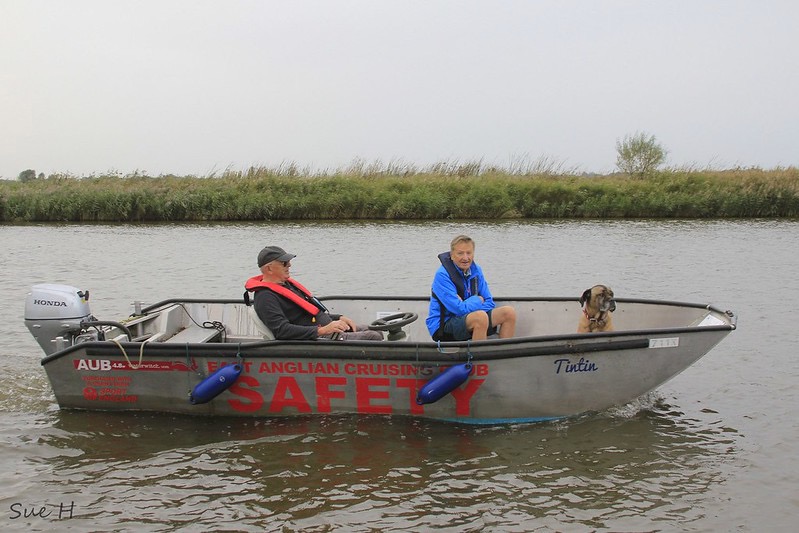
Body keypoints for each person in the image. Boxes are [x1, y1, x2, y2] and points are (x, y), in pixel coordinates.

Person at [244, 246, 383, 341]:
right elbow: (282, 331)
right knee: (373, 336)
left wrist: (339, 317)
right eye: (284, 263)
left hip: (327, 330)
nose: (289, 265)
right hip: (317, 340)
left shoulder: (287, 286)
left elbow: (310, 314)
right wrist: (322, 331)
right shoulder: (265, 297)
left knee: (374, 329)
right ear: (269, 269)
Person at [426, 235, 516, 341]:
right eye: (460, 253)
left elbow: (489, 302)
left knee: (509, 313)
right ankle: (478, 357)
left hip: (469, 318)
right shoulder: (442, 275)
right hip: (443, 326)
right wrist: (478, 300)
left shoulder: (477, 270)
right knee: (480, 317)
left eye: (469, 253)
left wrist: (468, 306)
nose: (465, 258)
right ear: (452, 255)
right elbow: (459, 310)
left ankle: (503, 354)